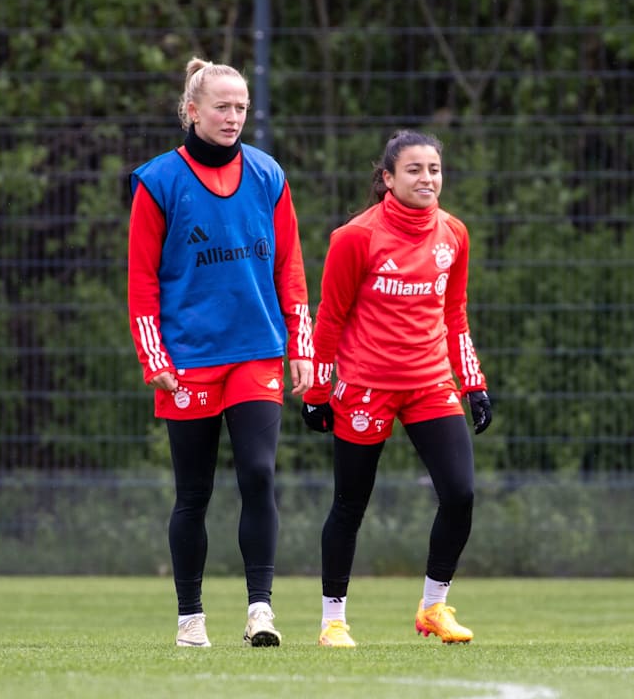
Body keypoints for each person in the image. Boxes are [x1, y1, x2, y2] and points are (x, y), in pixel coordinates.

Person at [127, 57, 314, 648]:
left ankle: (261, 609)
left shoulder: (268, 175)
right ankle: (191, 618)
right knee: (194, 493)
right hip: (187, 358)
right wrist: (154, 358)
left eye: (241, 108)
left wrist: (301, 347)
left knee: (258, 474)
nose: (233, 117)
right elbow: (142, 282)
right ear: (192, 111)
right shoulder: (158, 182)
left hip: (256, 351)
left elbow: (291, 268)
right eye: (221, 106)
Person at [301, 129, 492, 648]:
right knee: (350, 504)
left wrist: (472, 381)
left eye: (433, 169)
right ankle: (333, 621)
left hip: (431, 384)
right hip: (365, 388)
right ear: (387, 178)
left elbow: (454, 314)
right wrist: (318, 391)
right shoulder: (355, 238)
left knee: (460, 493)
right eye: (413, 169)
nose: (426, 178)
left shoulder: (454, 233)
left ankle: (433, 608)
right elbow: (330, 320)